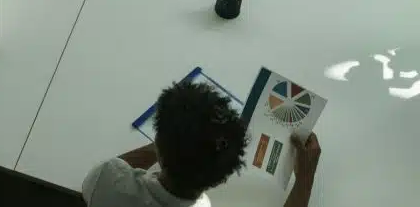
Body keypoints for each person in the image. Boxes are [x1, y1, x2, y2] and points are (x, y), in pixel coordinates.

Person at [82, 80, 323, 207]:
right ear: (223, 177)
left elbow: (114, 167)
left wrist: (173, 136)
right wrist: (305, 179)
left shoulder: (106, 181)